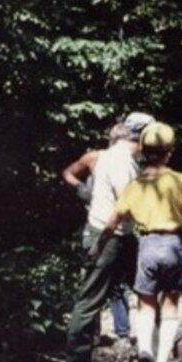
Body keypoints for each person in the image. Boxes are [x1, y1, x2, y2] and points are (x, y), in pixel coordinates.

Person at [93, 121, 182, 362]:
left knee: (146, 303)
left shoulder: (135, 185)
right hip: (173, 245)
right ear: (169, 152)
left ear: (143, 150)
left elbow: (112, 221)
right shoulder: (179, 180)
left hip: (147, 246)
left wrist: (98, 246)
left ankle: (144, 350)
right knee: (171, 303)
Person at [64, 111, 153, 362]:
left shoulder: (119, 157)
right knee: (89, 301)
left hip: (121, 236)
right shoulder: (120, 162)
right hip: (108, 236)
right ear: (143, 137)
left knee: (146, 288)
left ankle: (149, 350)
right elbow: (127, 206)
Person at [62, 124, 132, 343]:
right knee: (93, 286)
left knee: (118, 285)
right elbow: (68, 173)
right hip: (99, 224)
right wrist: (82, 190)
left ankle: (122, 333)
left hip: (121, 227)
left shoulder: (127, 161)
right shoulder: (95, 157)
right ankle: (91, 337)